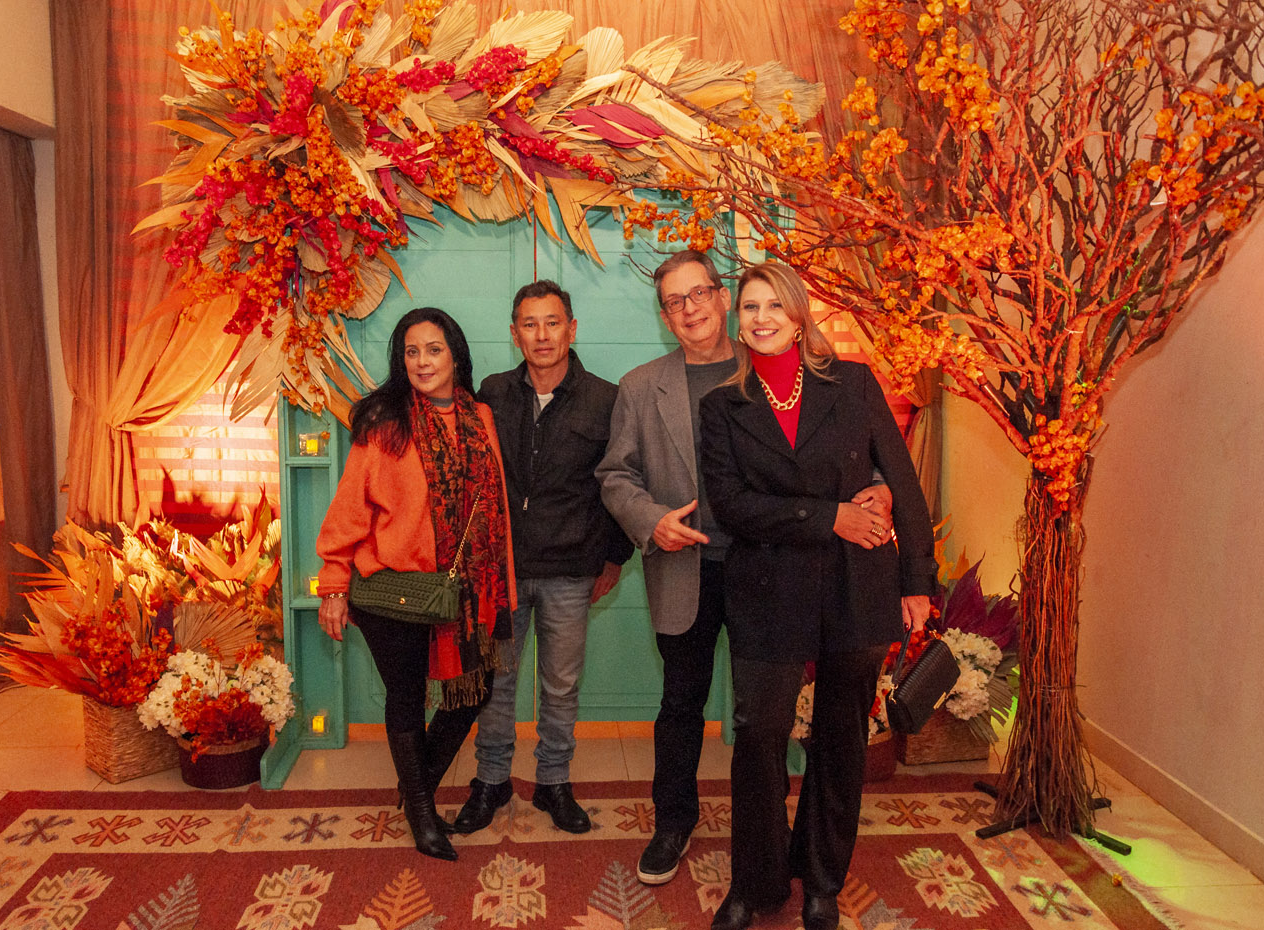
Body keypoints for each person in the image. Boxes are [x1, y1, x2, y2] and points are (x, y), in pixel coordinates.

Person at [596, 251, 895, 887]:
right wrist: (651, 520)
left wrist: (881, 484)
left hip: (774, 569)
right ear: (664, 316)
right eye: (674, 301)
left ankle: (769, 843)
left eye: (700, 293)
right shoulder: (640, 386)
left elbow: (837, 442)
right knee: (682, 701)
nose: (690, 309)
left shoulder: (772, 359)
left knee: (763, 718)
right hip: (687, 568)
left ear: (722, 297)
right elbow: (615, 474)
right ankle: (673, 822)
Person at [698, 262, 937, 930]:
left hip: (856, 584)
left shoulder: (853, 383)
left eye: (775, 305)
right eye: (750, 307)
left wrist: (918, 580)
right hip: (767, 588)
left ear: (800, 316)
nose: (762, 318)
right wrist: (830, 516)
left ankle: (823, 879)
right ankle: (756, 882)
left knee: (840, 738)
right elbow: (733, 505)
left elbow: (903, 482)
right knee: (759, 735)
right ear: (737, 320)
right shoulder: (721, 406)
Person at [315, 307, 516, 862]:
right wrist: (333, 585)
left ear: (455, 355)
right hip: (393, 591)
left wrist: (501, 584)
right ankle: (424, 818)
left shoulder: (481, 416)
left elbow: (494, 507)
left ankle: (416, 791)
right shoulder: (386, 423)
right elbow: (349, 509)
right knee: (406, 698)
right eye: (411, 352)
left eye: (434, 349)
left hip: (467, 593)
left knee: (473, 692)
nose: (423, 362)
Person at [453, 280, 633, 835]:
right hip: (502, 569)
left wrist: (614, 558)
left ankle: (554, 782)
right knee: (497, 682)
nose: (542, 335)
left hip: (570, 569)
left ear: (571, 329)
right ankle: (491, 780)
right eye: (530, 324)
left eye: (552, 322)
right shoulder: (493, 392)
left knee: (560, 684)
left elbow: (620, 483)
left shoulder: (605, 399)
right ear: (515, 334)